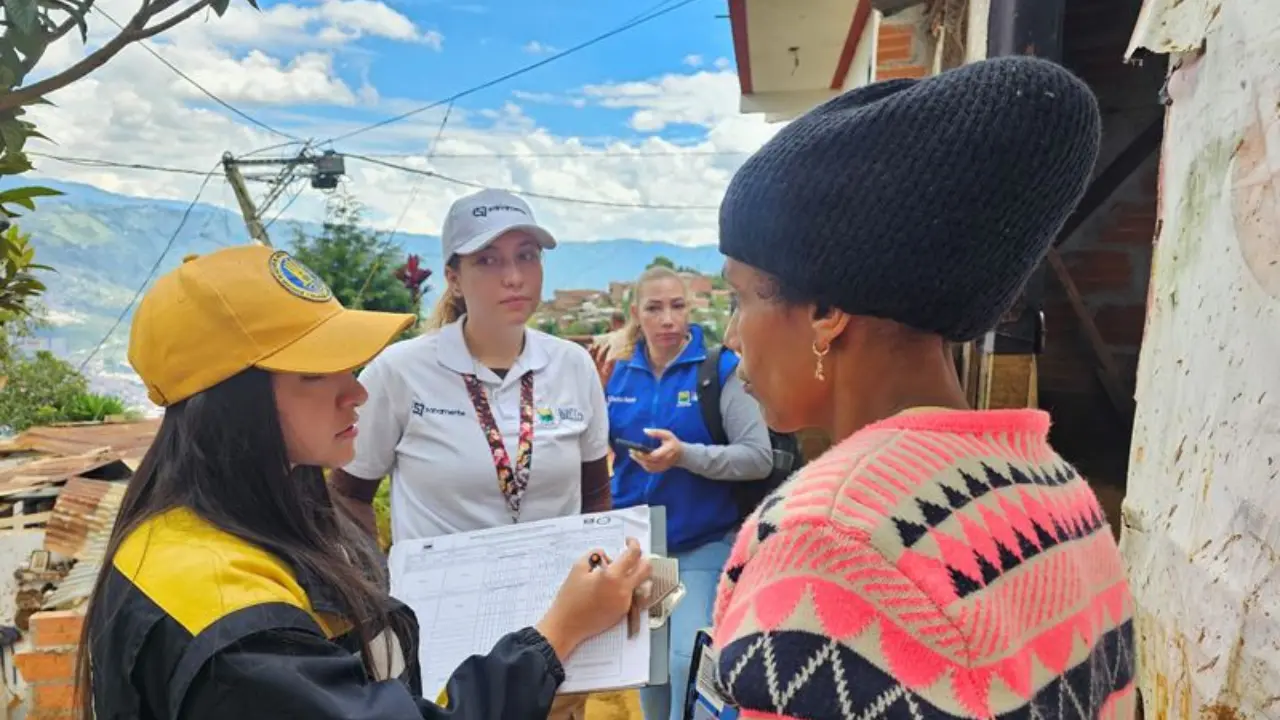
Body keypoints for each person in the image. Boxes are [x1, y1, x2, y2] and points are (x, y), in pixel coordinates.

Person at [709, 57, 1136, 718]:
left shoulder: (827, 543)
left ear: (825, 309)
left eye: (740, 298)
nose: (732, 338)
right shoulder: (1060, 489)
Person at [76, 245, 651, 720]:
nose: (356, 393)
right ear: (229, 402)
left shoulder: (257, 520)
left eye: (349, 366)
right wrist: (554, 636)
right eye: (316, 373)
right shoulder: (230, 616)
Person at [329, 189, 612, 719]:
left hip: (557, 625)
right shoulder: (401, 371)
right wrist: (381, 591)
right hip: (443, 631)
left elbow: (596, 492)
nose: (514, 276)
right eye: (488, 260)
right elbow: (347, 494)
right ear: (454, 277)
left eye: (527, 255)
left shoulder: (572, 366)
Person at [600, 265, 772, 720]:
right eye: (654, 308)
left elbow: (759, 456)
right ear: (637, 313)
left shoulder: (719, 371)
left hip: (702, 542)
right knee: (654, 668)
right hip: (647, 553)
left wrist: (685, 456)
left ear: (690, 308)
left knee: (687, 661)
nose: (667, 319)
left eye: (677, 306)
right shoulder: (618, 374)